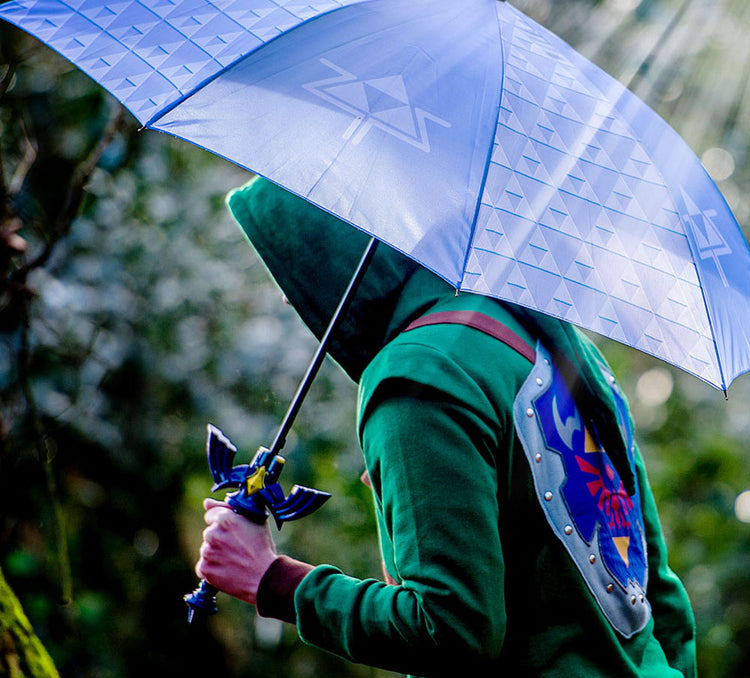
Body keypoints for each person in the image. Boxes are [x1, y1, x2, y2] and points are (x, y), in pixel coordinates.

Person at [195, 177, 697, 677]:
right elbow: (660, 593)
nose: (289, 299)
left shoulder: (418, 375)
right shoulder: (553, 336)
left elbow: (450, 629)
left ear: (334, 251)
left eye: (293, 271)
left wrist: (272, 579)